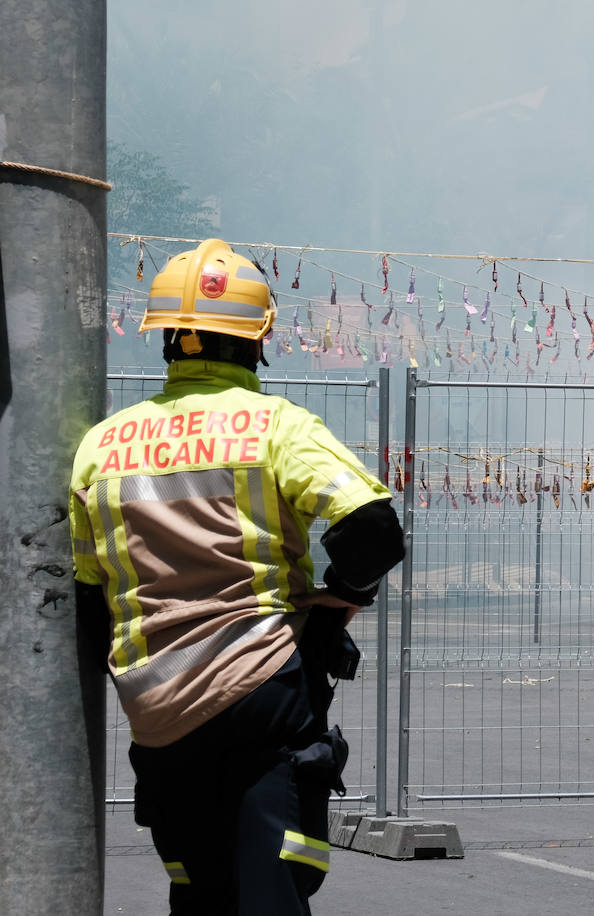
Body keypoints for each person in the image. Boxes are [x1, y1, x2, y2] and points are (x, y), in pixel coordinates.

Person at [69, 238, 404, 915]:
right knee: (275, 886)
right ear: (258, 341)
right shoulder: (276, 426)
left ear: (166, 338)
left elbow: (88, 597)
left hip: (157, 711)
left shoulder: (101, 446)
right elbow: (373, 531)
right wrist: (332, 615)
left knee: (198, 891)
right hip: (264, 692)